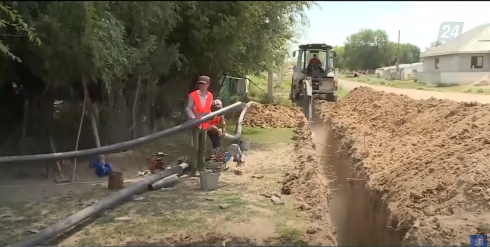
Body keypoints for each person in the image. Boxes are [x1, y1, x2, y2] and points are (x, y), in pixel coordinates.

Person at [186, 75, 213, 176]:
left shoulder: (210, 95)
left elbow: (208, 109)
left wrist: (211, 116)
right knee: (195, 148)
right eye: (200, 84)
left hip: (204, 125)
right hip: (195, 125)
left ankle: (201, 168)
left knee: (202, 147)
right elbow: (188, 109)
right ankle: (194, 169)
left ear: (208, 85)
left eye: (204, 84)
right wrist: (193, 118)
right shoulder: (193, 95)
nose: (201, 86)